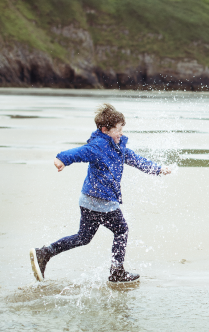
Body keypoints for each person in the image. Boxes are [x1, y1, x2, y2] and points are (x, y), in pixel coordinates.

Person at [29, 103, 171, 283]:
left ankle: (45, 252)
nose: (121, 133)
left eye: (122, 129)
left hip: (89, 201)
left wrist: (157, 169)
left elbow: (135, 159)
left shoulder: (117, 147)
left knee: (83, 237)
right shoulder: (99, 146)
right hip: (102, 202)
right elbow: (80, 152)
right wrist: (62, 159)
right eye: (118, 129)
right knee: (121, 230)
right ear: (105, 129)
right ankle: (117, 272)